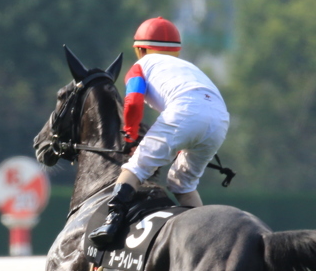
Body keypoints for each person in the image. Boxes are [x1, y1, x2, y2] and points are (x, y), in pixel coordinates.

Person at [89, 16, 230, 249]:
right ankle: (206, 239)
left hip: (185, 112)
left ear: (140, 49)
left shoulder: (140, 66)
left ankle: (111, 222)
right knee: (183, 184)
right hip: (220, 119)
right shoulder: (189, 67)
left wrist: (130, 135)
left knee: (134, 168)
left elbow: (133, 103)